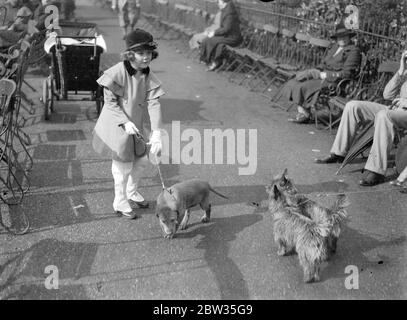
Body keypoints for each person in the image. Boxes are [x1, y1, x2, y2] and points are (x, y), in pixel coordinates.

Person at [92, 29, 164, 219]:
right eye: (141, 53)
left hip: (136, 125)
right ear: (130, 54)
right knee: (122, 168)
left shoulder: (147, 74)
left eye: (148, 53)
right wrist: (124, 122)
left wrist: (157, 132)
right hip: (117, 125)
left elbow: (154, 103)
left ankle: (131, 192)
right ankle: (120, 200)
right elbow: (110, 103)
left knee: (141, 162)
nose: (146, 57)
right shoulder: (117, 72)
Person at [316, 50, 407, 186]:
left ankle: (376, 170)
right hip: (394, 109)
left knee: (383, 116)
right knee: (353, 106)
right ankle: (339, 153)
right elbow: (387, 95)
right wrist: (401, 70)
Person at [281, 22, 361, 124]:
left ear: (349, 37)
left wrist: (324, 75)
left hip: (335, 81)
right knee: (295, 81)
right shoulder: (335, 47)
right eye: (339, 37)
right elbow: (324, 63)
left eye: (344, 36)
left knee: (303, 86)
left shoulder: (353, 51)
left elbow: (346, 74)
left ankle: (305, 114)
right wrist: (315, 71)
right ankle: (303, 112)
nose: (342, 39)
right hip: (322, 76)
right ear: (336, 38)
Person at [199, 0, 242, 72]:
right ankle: (209, 60)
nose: (218, 3)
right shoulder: (225, 11)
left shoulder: (230, 14)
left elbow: (226, 29)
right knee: (208, 39)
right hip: (227, 35)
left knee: (212, 40)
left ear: (224, 3)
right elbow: (224, 29)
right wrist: (213, 32)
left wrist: (214, 33)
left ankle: (213, 62)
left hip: (233, 38)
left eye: (219, 2)